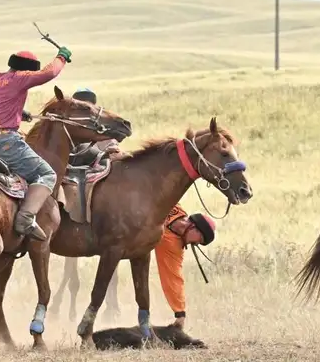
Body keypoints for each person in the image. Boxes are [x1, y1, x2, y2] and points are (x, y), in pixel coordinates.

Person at [69, 87, 217, 329]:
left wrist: (180, 311)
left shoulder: (171, 242)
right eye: (197, 240)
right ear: (194, 226)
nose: (191, 245)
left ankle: (140, 321)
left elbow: (173, 276)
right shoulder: (171, 209)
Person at [0, 46, 73, 241]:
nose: (30, 75)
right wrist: (61, 57)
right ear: (24, 70)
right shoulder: (19, 79)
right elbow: (50, 72)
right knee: (47, 174)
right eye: (30, 72)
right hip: (5, 144)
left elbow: (1, 103)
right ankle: (25, 219)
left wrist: (20, 113)